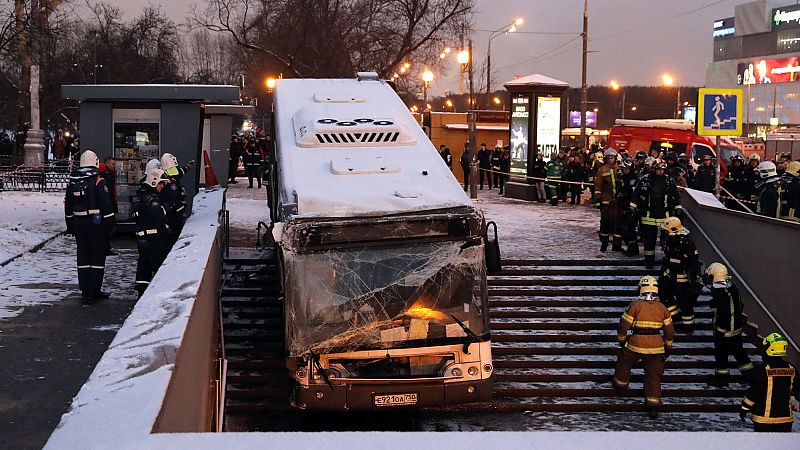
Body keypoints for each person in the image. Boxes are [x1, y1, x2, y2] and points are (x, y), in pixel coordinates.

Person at [613, 276, 674, 419]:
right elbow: (669, 330)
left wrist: (621, 339)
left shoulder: (635, 306)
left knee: (624, 362)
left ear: (641, 288)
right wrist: (668, 345)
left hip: (636, 344)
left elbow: (624, 325)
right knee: (654, 376)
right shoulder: (662, 308)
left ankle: (620, 386)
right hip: (656, 347)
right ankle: (653, 405)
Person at [64, 150, 115, 302]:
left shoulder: (73, 180)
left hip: (79, 223)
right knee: (97, 257)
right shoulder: (98, 180)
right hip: (96, 224)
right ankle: (94, 290)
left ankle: (85, 289)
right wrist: (111, 224)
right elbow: (105, 204)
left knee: (83, 256)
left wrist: (70, 225)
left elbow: (68, 205)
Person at [703, 262, 754, 387]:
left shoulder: (720, 293)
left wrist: (720, 329)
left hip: (725, 330)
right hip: (736, 328)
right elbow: (739, 306)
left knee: (721, 354)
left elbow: (724, 312)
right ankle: (751, 377)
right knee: (739, 353)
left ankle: (722, 379)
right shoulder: (732, 287)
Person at [740, 333, 799, 432]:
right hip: (785, 420)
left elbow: (755, 392)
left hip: (764, 421)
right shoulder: (791, 368)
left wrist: (744, 407)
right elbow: (798, 390)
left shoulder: (762, 369)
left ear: (770, 349)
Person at [630, 161, 683, 268]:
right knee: (649, 240)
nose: (660, 171)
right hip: (648, 215)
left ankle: (669, 260)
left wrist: (678, 209)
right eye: (658, 169)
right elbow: (636, 194)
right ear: (654, 169)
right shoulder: (645, 179)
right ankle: (649, 261)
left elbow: (676, 196)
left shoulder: (669, 181)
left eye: (662, 170)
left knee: (669, 240)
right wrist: (632, 207)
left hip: (664, 216)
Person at [133, 169, 172, 299]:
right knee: (157, 266)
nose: (162, 186)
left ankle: (142, 293)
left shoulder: (143, 195)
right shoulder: (150, 198)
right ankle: (155, 295)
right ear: (154, 182)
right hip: (153, 240)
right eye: (161, 183)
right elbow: (159, 214)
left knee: (144, 267)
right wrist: (167, 205)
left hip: (144, 239)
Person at [658, 216, 700, 331]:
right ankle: (675, 319)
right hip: (670, 277)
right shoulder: (671, 241)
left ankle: (688, 326)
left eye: (666, 230)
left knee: (684, 303)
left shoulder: (687, 243)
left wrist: (692, 278)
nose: (664, 233)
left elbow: (692, 262)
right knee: (664, 295)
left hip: (683, 279)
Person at [160, 153, 192, 246]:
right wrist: (182, 212)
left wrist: (187, 167)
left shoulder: (170, 175)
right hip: (173, 214)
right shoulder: (171, 184)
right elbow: (175, 200)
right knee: (175, 233)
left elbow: (180, 172)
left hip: (171, 213)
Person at [594, 149, 622, 252]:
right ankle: (604, 243)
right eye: (609, 158)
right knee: (605, 224)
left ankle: (616, 245)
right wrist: (598, 200)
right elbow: (598, 186)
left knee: (618, 225)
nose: (611, 160)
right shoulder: (602, 170)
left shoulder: (619, 169)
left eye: (612, 158)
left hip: (618, 202)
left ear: (615, 158)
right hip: (606, 201)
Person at [618, 157, 639, 256]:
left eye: (626, 169)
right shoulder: (622, 178)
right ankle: (632, 247)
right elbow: (619, 190)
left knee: (629, 229)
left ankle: (633, 248)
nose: (624, 171)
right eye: (623, 169)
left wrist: (626, 194)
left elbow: (635, 194)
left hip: (632, 208)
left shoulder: (635, 178)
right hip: (623, 206)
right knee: (623, 228)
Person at [98, 157, 118, 256]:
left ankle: (105, 247)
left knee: (107, 228)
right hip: (107, 205)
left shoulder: (108, 174)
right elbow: (109, 193)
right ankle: (105, 248)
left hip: (108, 204)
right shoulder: (106, 175)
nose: (114, 166)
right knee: (108, 227)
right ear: (107, 164)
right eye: (112, 164)